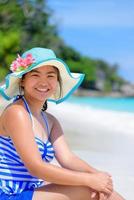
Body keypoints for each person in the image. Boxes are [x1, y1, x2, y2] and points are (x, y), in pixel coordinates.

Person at [0, 47, 124, 200]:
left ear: (57, 81)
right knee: (88, 189)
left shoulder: (50, 121)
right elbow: (35, 168)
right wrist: (89, 180)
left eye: (50, 76)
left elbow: (68, 159)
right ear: (23, 80)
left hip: (32, 190)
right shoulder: (17, 113)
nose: (43, 82)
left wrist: (97, 175)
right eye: (35, 74)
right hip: (9, 194)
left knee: (100, 189)